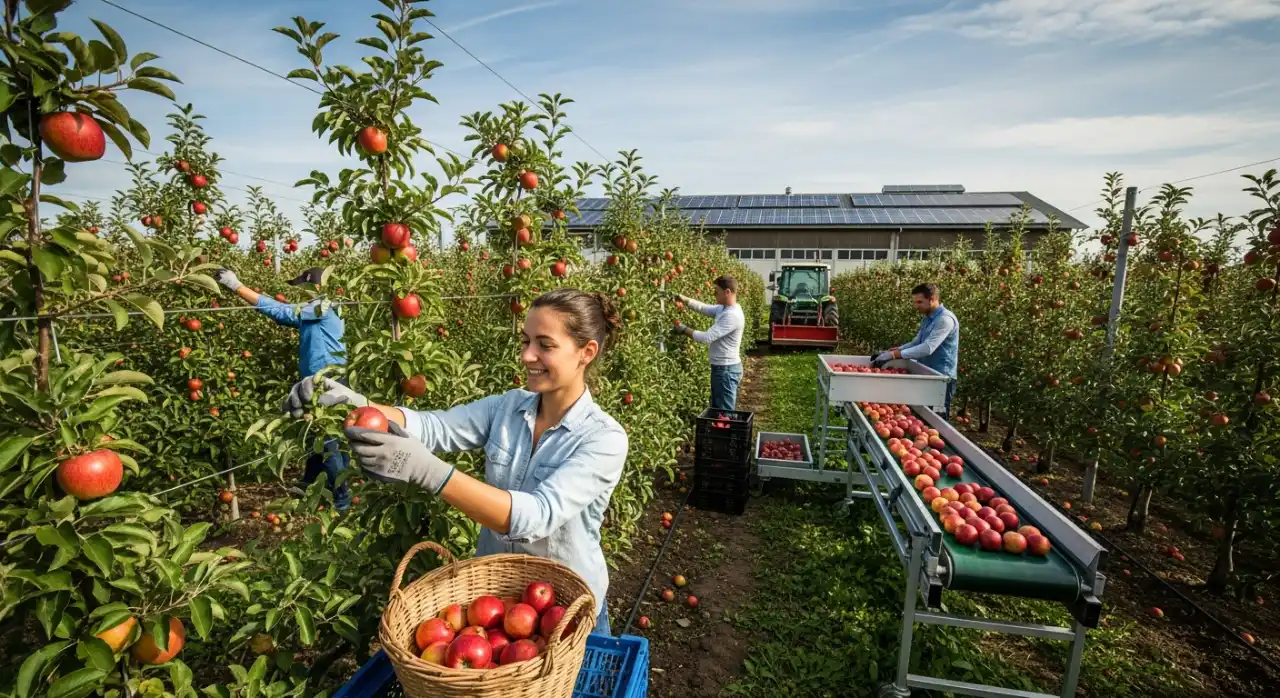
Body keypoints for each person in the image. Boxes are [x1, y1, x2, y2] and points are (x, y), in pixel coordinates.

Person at [282, 288, 627, 635]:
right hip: (499, 608)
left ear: (586, 352)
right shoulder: (506, 407)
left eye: (544, 345)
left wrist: (428, 471)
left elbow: (536, 516)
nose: (527, 355)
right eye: (525, 341)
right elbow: (434, 427)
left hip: (567, 612)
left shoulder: (603, 439)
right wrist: (355, 402)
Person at [214, 266, 351, 510]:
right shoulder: (322, 309)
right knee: (317, 433)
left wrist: (237, 286)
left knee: (328, 440)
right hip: (325, 379)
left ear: (315, 286)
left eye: (302, 287)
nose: (299, 293)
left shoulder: (323, 306)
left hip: (326, 381)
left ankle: (341, 499)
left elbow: (282, 313)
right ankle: (310, 482)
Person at [872, 282, 960, 418]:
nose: (916, 306)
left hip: (941, 379)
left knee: (937, 420)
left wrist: (896, 355)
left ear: (933, 299)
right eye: (915, 302)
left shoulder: (945, 320)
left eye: (920, 302)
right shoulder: (928, 318)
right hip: (926, 373)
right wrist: (893, 351)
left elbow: (927, 348)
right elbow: (917, 342)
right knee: (922, 418)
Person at [672, 276, 746, 410]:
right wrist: (685, 299)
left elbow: (706, 337)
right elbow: (703, 308)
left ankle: (727, 431)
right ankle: (721, 430)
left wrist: (683, 329)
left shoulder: (732, 315)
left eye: (716, 291)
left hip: (726, 371)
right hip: (722, 369)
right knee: (719, 409)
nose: (714, 294)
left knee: (724, 413)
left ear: (727, 292)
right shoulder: (724, 309)